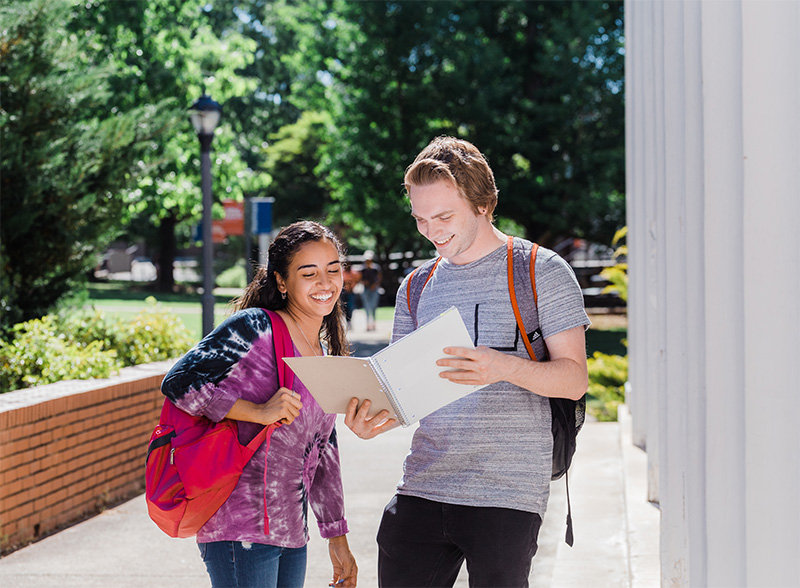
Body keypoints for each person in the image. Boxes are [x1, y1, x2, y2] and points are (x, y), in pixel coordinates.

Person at [345, 136, 590, 587]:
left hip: (507, 493)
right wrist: (373, 420)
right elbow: (405, 393)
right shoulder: (416, 286)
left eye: (443, 216)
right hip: (424, 483)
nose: (431, 230)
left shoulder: (541, 270)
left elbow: (573, 380)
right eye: (421, 219)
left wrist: (502, 367)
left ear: (484, 204)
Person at [161, 221, 358, 588]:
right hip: (239, 527)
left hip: (291, 532)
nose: (326, 282)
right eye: (309, 273)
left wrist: (337, 536)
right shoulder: (256, 328)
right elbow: (179, 381)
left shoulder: (323, 352)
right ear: (282, 282)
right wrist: (258, 411)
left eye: (334, 270)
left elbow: (324, 449)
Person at [359, 251, 382, 331]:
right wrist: (365, 282)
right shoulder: (363, 269)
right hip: (366, 289)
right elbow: (360, 279)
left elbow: (379, 278)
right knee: (367, 306)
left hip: (374, 289)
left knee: (374, 306)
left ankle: (374, 324)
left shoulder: (376, 268)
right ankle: (368, 324)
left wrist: (374, 285)